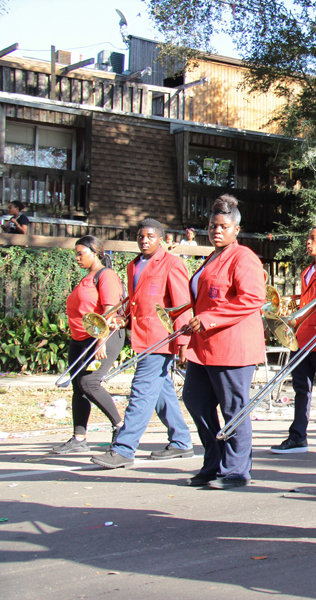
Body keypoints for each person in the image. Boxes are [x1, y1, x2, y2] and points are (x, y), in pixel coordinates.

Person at [91, 219, 195, 469]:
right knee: (161, 392)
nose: (144, 240)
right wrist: (122, 318)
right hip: (141, 336)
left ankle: (124, 449)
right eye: (140, 236)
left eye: (150, 236)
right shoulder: (133, 265)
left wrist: (184, 341)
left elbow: (182, 305)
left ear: (162, 239)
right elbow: (136, 302)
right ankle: (181, 442)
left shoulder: (172, 264)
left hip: (161, 338)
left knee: (140, 391)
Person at [181, 195, 266, 489]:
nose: (216, 231)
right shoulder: (211, 257)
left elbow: (253, 298)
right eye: (212, 226)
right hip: (203, 347)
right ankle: (214, 460)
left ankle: (236, 470)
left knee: (234, 409)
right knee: (195, 399)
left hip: (232, 347)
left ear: (236, 229)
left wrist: (208, 318)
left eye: (223, 226)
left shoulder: (243, 258)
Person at [51, 236, 126, 454]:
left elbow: (109, 311)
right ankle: (79, 438)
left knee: (89, 383)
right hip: (80, 340)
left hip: (101, 338)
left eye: (80, 253)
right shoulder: (87, 278)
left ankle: (121, 427)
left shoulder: (106, 276)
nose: (76, 258)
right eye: (75, 253)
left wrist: (100, 343)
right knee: (78, 387)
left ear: (95, 252)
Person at [270, 224, 316, 454]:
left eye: (313, 238)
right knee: (302, 389)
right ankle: (298, 436)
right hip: (301, 340)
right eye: (308, 238)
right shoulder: (307, 271)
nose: (308, 242)